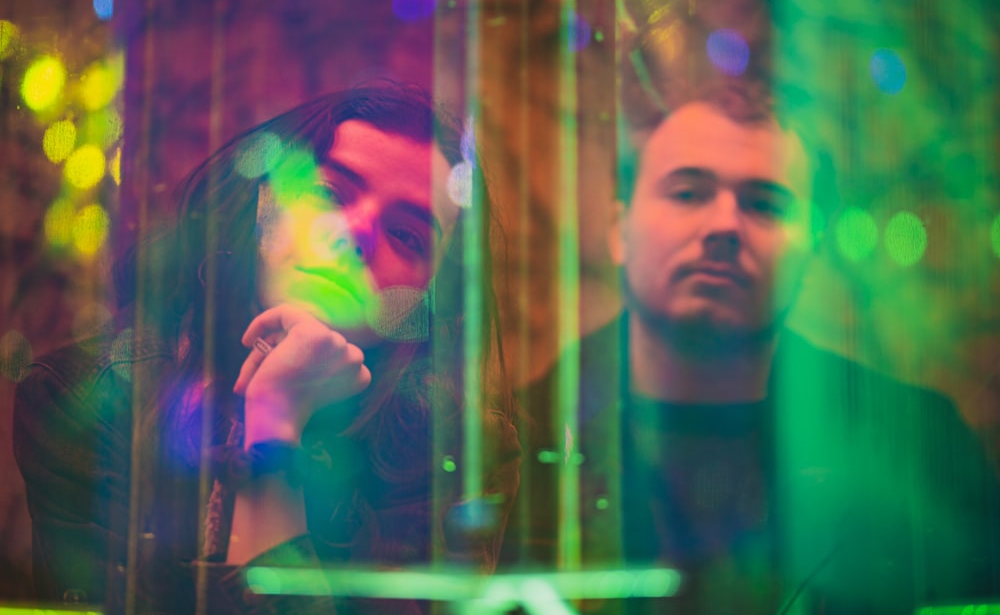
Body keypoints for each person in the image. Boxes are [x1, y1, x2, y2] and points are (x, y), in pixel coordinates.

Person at [14, 82, 520, 614]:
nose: (355, 234)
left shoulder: (457, 447)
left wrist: (275, 432)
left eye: (407, 235)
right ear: (263, 200)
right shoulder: (81, 398)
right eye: (330, 193)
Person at [503, 86, 1000, 614]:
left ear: (811, 247)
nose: (723, 226)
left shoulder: (916, 447)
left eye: (764, 203)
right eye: (688, 192)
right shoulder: (516, 442)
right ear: (618, 229)